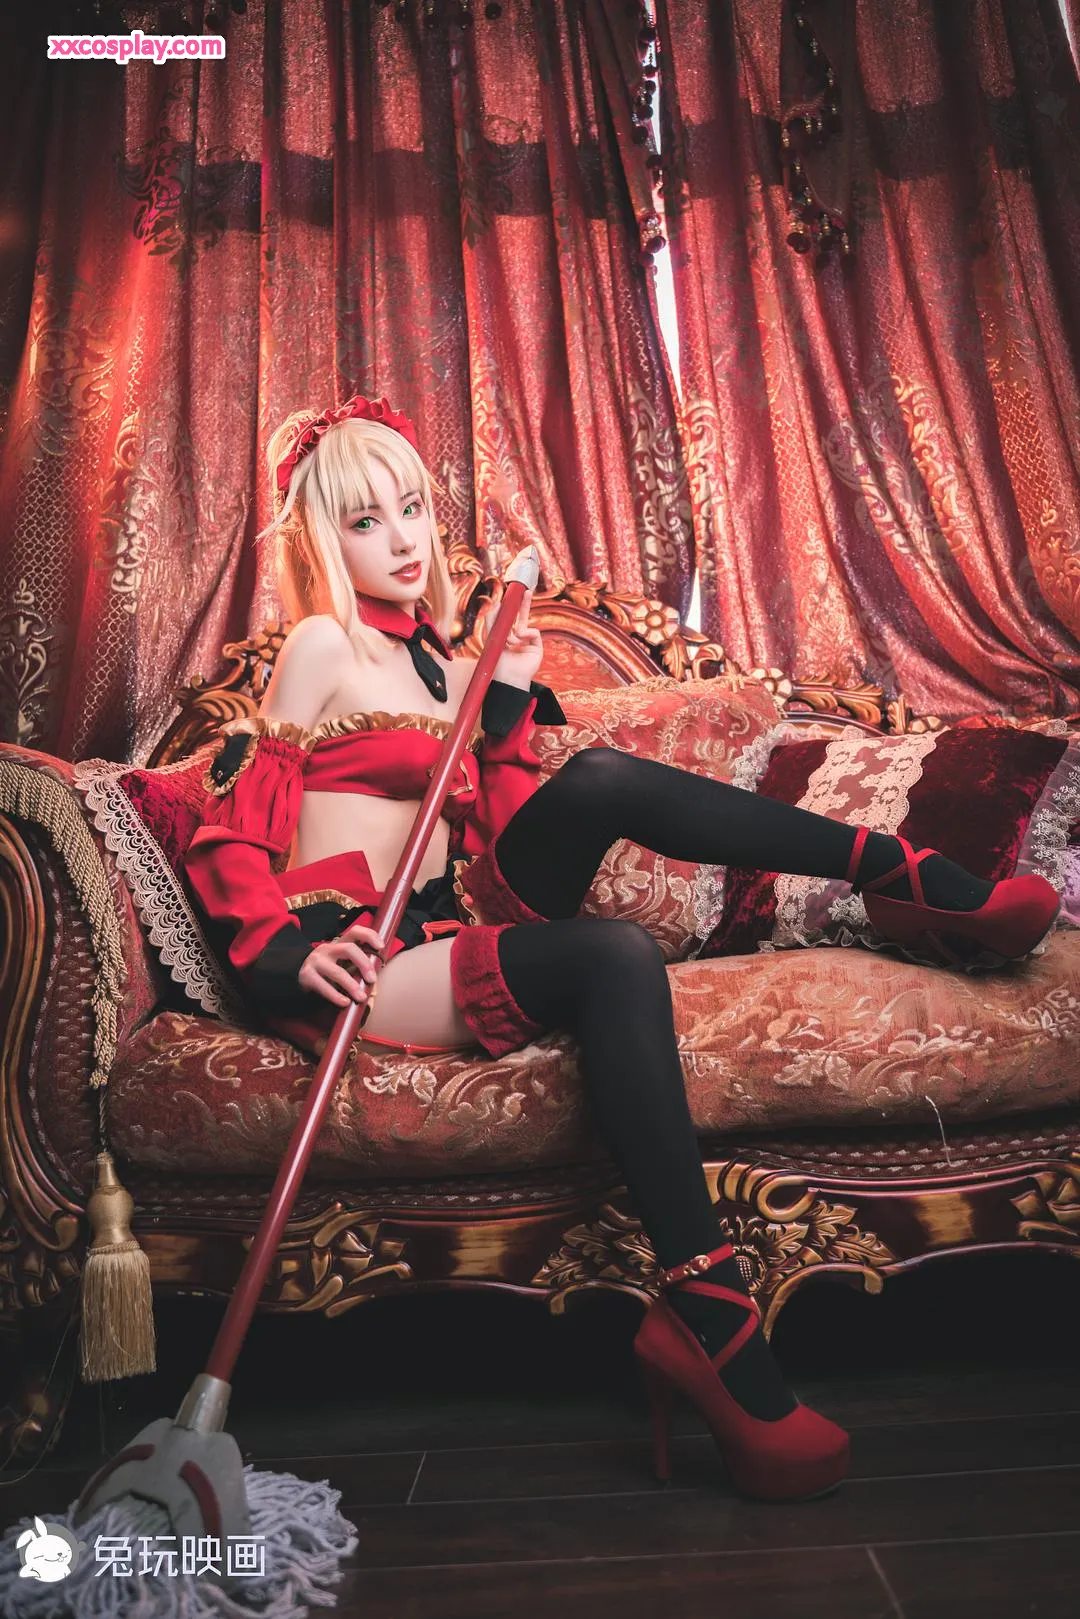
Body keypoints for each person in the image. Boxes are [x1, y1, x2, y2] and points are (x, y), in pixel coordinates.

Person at [182, 394, 1060, 1506]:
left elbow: (499, 833)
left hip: (452, 913)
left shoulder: (444, 660)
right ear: (322, 537)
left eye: (411, 507)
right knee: (613, 954)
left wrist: (503, 702)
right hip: (360, 957)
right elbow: (236, 829)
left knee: (596, 778)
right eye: (366, 521)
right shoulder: (321, 646)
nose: (402, 539)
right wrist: (283, 954)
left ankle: (911, 876)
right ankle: (713, 1317)